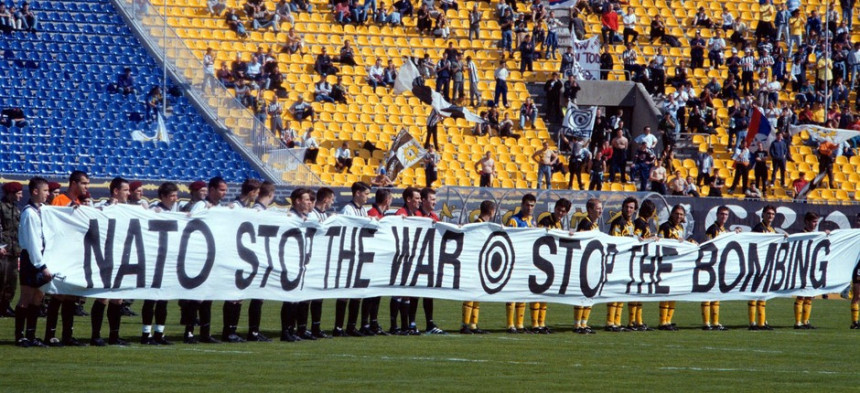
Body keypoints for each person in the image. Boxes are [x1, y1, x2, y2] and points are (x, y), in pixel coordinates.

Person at [88, 178, 132, 346]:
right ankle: (95, 335)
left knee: (118, 298)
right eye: (125, 190)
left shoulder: (128, 209)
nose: (129, 193)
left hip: (122, 256)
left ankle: (114, 335)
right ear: (115, 191)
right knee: (103, 297)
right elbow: (93, 214)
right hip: (106, 257)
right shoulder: (103, 206)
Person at [140, 182, 181, 346]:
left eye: (176, 195)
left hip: (168, 260)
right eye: (172, 195)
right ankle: (146, 334)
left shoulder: (175, 212)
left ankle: (159, 333)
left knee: (164, 299)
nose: (175, 198)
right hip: (154, 260)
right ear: (163, 196)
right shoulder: (154, 211)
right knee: (150, 299)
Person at [13, 177, 51, 347]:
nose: (47, 194)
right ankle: (20, 335)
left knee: (38, 296)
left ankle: (32, 334)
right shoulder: (29, 213)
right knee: (26, 297)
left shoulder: (43, 210)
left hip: (41, 256)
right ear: (35, 191)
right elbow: (33, 241)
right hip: (32, 258)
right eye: (45, 191)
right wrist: (41, 265)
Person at [281, 188, 314, 341]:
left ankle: (296, 329)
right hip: (291, 261)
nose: (309, 202)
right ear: (297, 201)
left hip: (303, 261)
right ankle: (286, 331)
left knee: (301, 297)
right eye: (307, 199)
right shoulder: (289, 217)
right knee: (291, 297)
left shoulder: (306, 217)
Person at [701, 206, 738, 331]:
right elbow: (707, 246)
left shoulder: (724, 230)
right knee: (708, 294)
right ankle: (707, 323)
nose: (724, 216)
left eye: (726, 214)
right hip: (711, 265)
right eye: (721, 214)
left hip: (720, 265)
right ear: (717, 215)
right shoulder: (713, 229)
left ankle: (715, 322)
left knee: (716, 294)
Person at [392, 187, 423, 335]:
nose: (419, 201)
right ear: (408, 200)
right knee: (398, 291)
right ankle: (394, 325)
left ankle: (405, 326)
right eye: (416, 198)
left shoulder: (417, 215)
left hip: (411, 257)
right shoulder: (400, 214)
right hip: (400, 257)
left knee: (407, 292)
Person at [461, 200, 494, 334]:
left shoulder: (484, 225)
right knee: (470, 295)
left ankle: (473, 324)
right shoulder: (477, 225)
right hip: (473, 264)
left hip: (480, 264)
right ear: (492, 211)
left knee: (476, 296)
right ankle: (465, 325)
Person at [505, 194, 536, 333]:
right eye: (528, 205)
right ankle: (510, 324)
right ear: (522, 205)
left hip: (526, 262)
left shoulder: (531, 221)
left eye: (532, 205)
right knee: (512, 293)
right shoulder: (514, 221)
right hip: (515, 262)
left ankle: (520, 324)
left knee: (523, 293)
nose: (530, 208)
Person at [606, 197, 637, 332]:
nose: (629, 210)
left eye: (631, 207)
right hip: (616, 260)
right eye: (627, 207)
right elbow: (615, 241)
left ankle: (617, 322)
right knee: (614, 291)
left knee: (621, 293)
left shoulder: (632, 224)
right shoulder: (618, 223)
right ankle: (610, 322)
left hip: (627, 261)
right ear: (622, 208)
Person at [573, 198, 602, 334]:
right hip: (585, 263)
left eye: (601, 208)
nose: (600, 210)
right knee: (583, 293)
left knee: (590, 294)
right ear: (590, 210)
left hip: (593, 263)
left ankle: (584, 323)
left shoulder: (595, 224)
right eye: (598, 208)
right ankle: (578, 324)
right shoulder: (586, 223)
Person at [656, 205, 687, 331]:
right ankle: (662, 321)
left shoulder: (681, 228)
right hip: (666, 262)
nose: (679, 216)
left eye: (681, 214)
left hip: (677, 263)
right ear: (672, 214)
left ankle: (668, 320)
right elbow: (660, 243)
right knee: (666, 292)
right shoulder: (665, 227)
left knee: (674, 292)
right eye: (676, 213)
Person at [748, 205, 777, 330]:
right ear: (763, 215)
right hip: (757, 264)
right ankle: (753, 323)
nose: (770, 216)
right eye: (768, 213)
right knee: (754, 294)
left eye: (772, 214)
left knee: (763, 295)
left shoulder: (772, 230)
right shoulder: (758, 228)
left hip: (767, 265)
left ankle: (761, 321)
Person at [794, 212, 823, 330]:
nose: (814, 224)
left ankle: (806, 321)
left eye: (816, 221)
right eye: (812, 221)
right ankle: (797, 322)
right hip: (801, 269)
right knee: (801, 296)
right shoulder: (801, 234)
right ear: (806, 222)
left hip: (812, 269)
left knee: (810, 296)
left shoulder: (817, 235)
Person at [0, 181, 22, 318]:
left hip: (14, 249)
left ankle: (5, 306)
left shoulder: (16, 208)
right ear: (11, 193)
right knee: (1, 278)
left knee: (12, 279)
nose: (21, 196)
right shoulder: (1, 207)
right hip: (3, 248)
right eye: (18, 193)